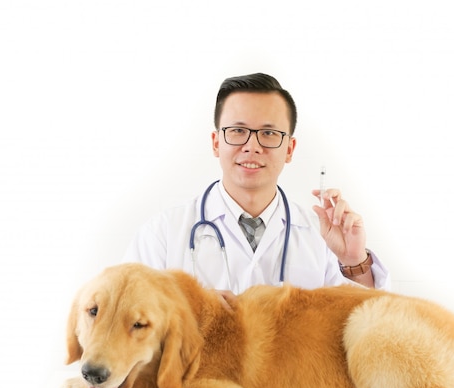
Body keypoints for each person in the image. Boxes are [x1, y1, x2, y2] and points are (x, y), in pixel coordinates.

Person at [123, 73, 389, 294]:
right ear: (216, 143)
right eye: (238, 131)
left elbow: (366, 330)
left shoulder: (323, 238)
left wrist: (354, 262)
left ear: (289, 148)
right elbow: (125, 327)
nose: (252, 147)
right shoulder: (162, 235)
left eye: (269, 133)